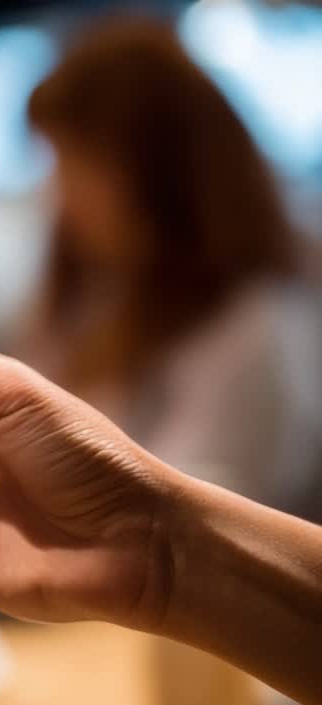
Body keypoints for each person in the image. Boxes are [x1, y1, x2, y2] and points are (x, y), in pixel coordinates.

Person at [0, 325, 322, 705]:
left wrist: (150, 542)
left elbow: (219, 466)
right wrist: (149, 544)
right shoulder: (77, 297)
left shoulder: (251, 324)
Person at [22, 18, 322, 520]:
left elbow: (200, 525)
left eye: (80, 168)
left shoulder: (255, 327)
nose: (62, 199)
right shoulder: (97, 301)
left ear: (160, 175)